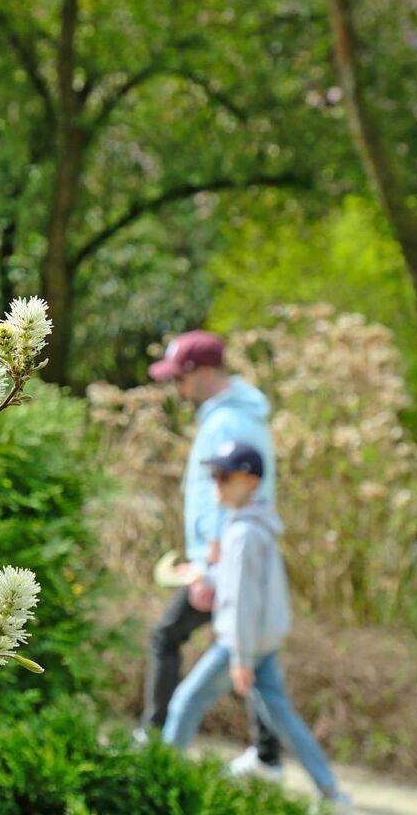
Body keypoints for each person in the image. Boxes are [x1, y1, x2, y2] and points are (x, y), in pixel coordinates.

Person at [162, 441, 351, 809]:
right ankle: (331, 793)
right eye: (213, 475)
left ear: (249, 481)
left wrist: (240, 658)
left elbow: (242, 603)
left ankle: (160, 773)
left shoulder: (244, 534)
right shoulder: (249, 526)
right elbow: (236, 582)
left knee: (185, 702)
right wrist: (206, 573)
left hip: (243, 641)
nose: (216, 484)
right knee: (280, 714)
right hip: (263, 638)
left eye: (224, 476)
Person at [140, 330, 283, 779]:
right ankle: (267, 757)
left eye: (180, 378)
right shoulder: (235, 415)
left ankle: (155, 738)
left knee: (168, 637)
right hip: (224, 558)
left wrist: (209, 566)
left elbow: (229, 497)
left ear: (202, 372)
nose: (176, 388)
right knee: (253, 655)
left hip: (222, 562)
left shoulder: (229, 423)